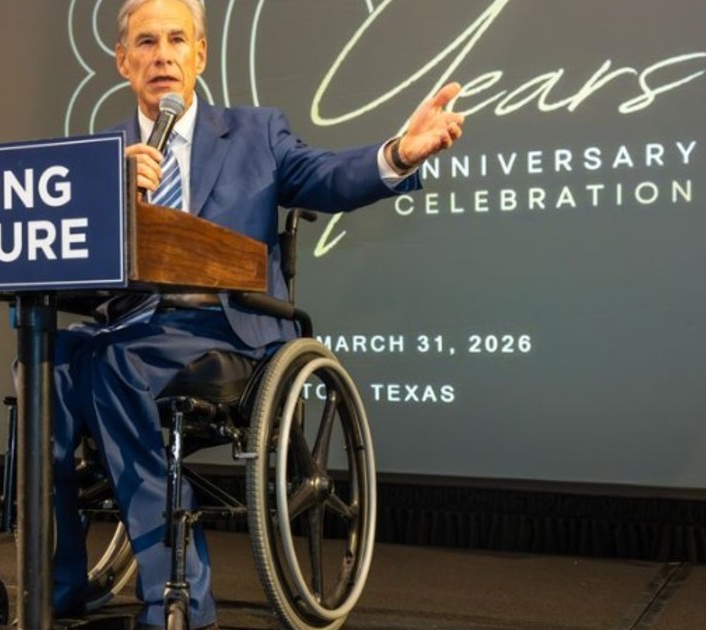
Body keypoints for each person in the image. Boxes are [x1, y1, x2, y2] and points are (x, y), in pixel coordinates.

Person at [43, 0, 465, 628]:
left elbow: (327, 176)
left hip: (225, 330)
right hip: (128, 325)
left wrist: (398, 154)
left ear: (200, 55)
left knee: (110, 365)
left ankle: (179, 595)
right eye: (147, 42)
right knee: (46, 363)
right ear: (123, 61)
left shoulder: (255, 133)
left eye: (177, 40)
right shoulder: (100, 156)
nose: (163, 56)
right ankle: (55, 581)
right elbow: (60, 248)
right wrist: (106, 192)